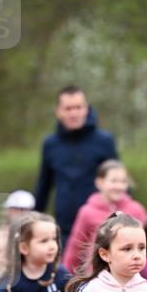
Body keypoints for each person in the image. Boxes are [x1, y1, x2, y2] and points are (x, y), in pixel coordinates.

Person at [33, 86, 118, 247]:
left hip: (99, 228)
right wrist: (32, 223)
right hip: (64, 230)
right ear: (58, 111)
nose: (74, 113)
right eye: (68, 108)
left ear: (86, 109)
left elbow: (119, 182)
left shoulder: (104, 141)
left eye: (78, 107)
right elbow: (43, 186)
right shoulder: (50, 144)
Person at [63, 160, 147, 275]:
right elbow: (75, 247)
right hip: (98, 276)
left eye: (123, 181)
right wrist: (65, 278)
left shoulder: (136, 210)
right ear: (99, 182)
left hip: (131, 276)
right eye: (113, 181)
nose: (119, 186)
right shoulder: (87, 212)